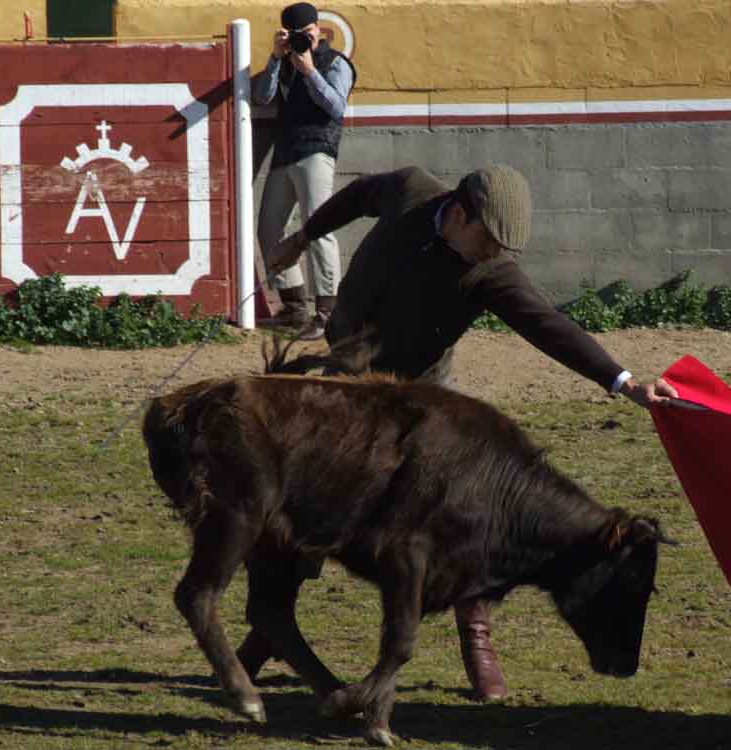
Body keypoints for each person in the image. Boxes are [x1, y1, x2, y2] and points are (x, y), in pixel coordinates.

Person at [265, 164, 680, 701]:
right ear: (459, 214)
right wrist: (301, 238)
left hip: (424, 394)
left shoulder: (491, 274)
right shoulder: (410, 191)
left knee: (463, 511)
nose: (493, 253)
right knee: (318, 499)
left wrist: (624, 384)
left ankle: (477, 638)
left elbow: (549, 326)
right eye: (488, 239)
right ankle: (268, 631)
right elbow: (357, 196)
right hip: (349, 385)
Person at [253, 1, 356, 339]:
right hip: (285, 153)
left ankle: (327, 313)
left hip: (317, 152)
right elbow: (263, 97)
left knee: (319, 228)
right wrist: (274, 57)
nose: (303, 38)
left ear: (318, 30)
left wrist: (310, 70)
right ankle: (295, 307)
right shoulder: (283, 61)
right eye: (296, 34)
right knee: (269, 229)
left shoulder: (335, 62)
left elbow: (336, 107)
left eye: (307, 32)